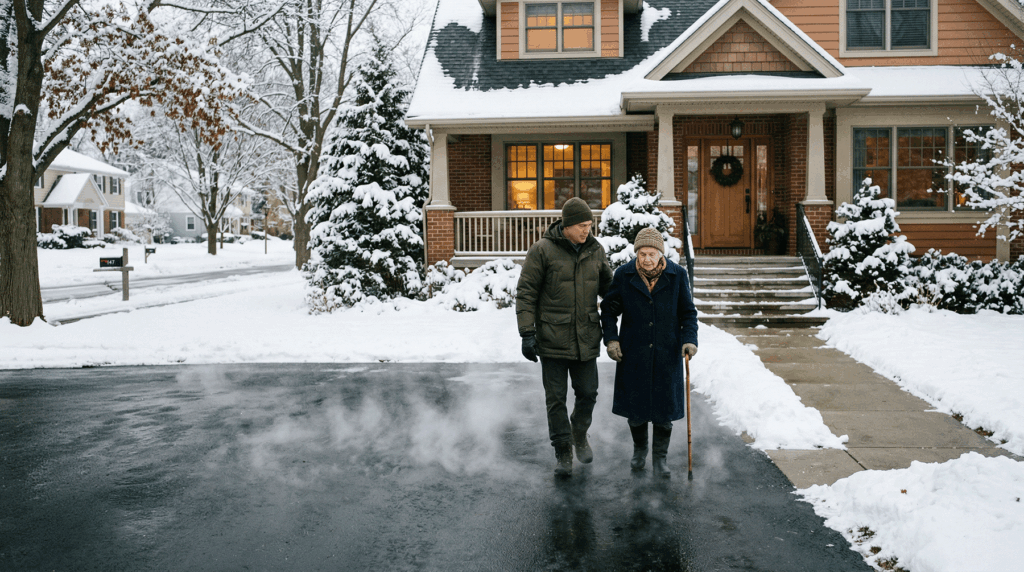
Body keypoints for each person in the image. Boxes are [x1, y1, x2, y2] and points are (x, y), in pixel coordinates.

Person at [516, 197, 614, 477]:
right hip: (552, 338)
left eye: (589, 225)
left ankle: (579, 433)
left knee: (588, 393)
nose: (587, 230)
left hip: (585, 337)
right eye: (582, 225)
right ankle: (562, 451)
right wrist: (527, 332)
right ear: (567, 225)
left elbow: (611, 290)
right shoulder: (542, 251)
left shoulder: (595, 250)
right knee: (556, 398)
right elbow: (526, 294)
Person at [599, 227, 698, 478]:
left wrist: (689, 340)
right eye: (642, 253)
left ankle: (660, 458)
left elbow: (688, 313)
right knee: (637, 410)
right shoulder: (624, 275)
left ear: (660, 254)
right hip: (634, 353)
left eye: (651, 253)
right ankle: (640, 450)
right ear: (636, 254)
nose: (646, 259)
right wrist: (611, 340)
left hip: (667, 352)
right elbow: (609, 310)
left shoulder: (677, 276)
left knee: (664, 411)